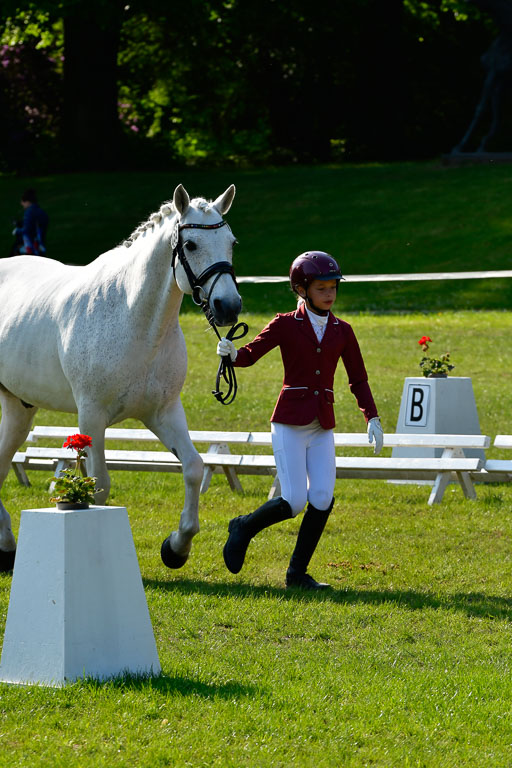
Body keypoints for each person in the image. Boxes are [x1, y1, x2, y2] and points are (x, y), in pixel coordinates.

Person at [216, 250, 383, 590]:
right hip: (289, 423)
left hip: (322, 423)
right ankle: (243, 527)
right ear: (302, 289)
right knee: (293, 501)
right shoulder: (284, 323)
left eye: (333, 287)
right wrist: (232, 355)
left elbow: (358, 379)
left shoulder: (343, 330)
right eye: (322, 287)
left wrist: (372, 416)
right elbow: (251, 353)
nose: (330, 294)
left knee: (321, 497)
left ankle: (296, 575)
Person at [13, 188, 48, 256]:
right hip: (40, 244)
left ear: (28, 202)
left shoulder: (29, 212)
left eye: (23, 201)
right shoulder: (41, 212)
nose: (21, 203)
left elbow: (27, 230)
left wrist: (17, 231)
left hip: (31, 246)